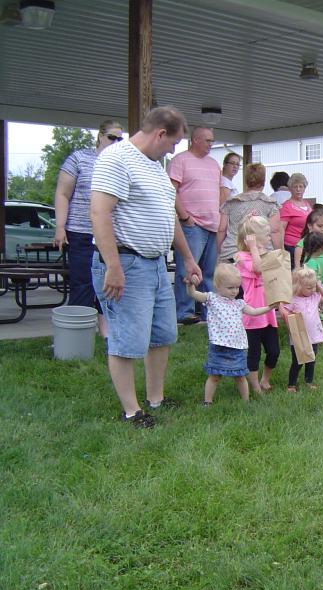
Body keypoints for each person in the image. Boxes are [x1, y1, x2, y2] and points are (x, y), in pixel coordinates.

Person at [90, 105, 201, 428]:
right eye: (173, 143)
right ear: (160, 134)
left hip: (154, 264)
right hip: (126, 261)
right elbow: (99, 213)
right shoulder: (116, 159)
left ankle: (156, 397)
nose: (173, 149)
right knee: (128, 340)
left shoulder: (154, 166)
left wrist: (189, 258)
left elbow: (169, 216)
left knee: (162, 334)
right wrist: (113, 266)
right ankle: (131, 411)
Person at [53, 119, 124, 338]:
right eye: (112, 137)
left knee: (108, 283)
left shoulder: (121, 162)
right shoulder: (79, 158)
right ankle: (78, 333)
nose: (116, 142)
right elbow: (63, 194)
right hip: (81, 231)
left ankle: (107, 332)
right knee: (82, 282)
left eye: (120, 139)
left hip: (109, 233)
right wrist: (60, 227)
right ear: (100, 136)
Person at [187, 263, 271, 405]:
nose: (234, 291)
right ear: (217, 286)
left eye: (237, 287)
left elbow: (254, 312)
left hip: (237, 346)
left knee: (240, 376)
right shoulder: (211, 298)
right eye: (230, 287)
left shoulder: (239, 303)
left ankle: (246, 401)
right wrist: (190, 285)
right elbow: (193, 294)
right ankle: (207, 401)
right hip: (218, 346)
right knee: (214, 376)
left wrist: (270, 307)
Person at [168, 126, 221, 324]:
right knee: (187, 269)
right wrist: (184, 217)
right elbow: (171, 190)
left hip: (212, 225)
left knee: (209, 272)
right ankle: (184, 311)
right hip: (193, 225)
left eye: (212, 140)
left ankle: (208, 311)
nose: (211, 144)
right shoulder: (180, 161)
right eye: (207, 140)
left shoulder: (214, 164)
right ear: (195, 140)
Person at [235, 217, 282, 394]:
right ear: (253, 238)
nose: (270, 239)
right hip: (252, 316)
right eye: (267, 236)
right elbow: (257, 268)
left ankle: (265, 379)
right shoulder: (241, 257)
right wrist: (254, 248)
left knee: (274, 351)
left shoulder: (264, 255)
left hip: (268, 314)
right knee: (253, 354)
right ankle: (255, 387)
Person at [280, 268, 323, 392]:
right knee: (297, 361)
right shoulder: (293, 299)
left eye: (313, 287)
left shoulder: (315, 297)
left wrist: (319, 286)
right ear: (298, 286)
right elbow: (284, 311)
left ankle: (308, 381)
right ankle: (291, 384)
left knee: (311, 360)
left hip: (313, 336)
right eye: (309, 287)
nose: (312, 290)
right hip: (299, 336)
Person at [217, 163, 282, 262]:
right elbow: (275, 231)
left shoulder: (231, 202)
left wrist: (218, 250)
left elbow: (222, 229)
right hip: (262, 254)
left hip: (232, 253)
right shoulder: (271, 204)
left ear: (246, 180)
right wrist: (279, 253)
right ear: (263, 181)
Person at [279, 172, 313, 268]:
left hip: (307, 245)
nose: (298, 190)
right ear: (290, 189)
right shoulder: (286, 206)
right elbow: (281, 229)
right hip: (292, 246)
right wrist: (281, 249)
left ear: (304, 188)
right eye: (295, 187)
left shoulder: (307, 204)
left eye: (301, 186)